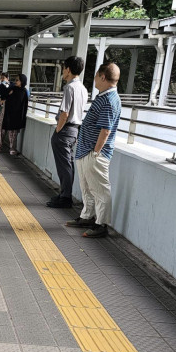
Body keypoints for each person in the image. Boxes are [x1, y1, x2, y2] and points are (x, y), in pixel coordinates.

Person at [66, 62, 121, 238]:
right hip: (86, 151)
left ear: (103, 77)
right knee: (87, 186)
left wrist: (96, 153)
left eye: (97, 76)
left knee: (100, 189)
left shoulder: (110, 100)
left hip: (94, 153)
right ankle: (87, 216)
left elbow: (106, 130)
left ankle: (101, 224)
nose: (95, 79)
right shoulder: (103, 96)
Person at [46, 56, 88, 208]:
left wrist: (58, 130)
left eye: (64, 68)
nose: (63, 71)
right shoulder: (83, 88)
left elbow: (64, 113)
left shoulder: (70, 88)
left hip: (65, 130)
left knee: (64, 165)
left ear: (68, 69)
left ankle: (65, 198)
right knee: (68, 164)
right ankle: (65, 194)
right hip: (75, 130)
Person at [0, 74, 29, 155]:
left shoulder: (24, 91)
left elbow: (24, 105)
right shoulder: (12, 87)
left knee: (13, 133)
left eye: (17, 80)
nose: (15, 81)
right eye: (15, 80)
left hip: (16, 115)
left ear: (22, 81)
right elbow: (1, 88)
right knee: (1, 130)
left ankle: (12, 149)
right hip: (7, 113)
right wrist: (8, 87)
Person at [0, 72, 9, 151]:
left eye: (3, 78)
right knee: (1, 129)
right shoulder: (7, 86)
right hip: (6, 111)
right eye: (1, 78)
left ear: (7, 78)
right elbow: (2, 97)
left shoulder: (6, 86)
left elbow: (4, 96)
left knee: (2, 129)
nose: (1, 80)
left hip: (7, 112)